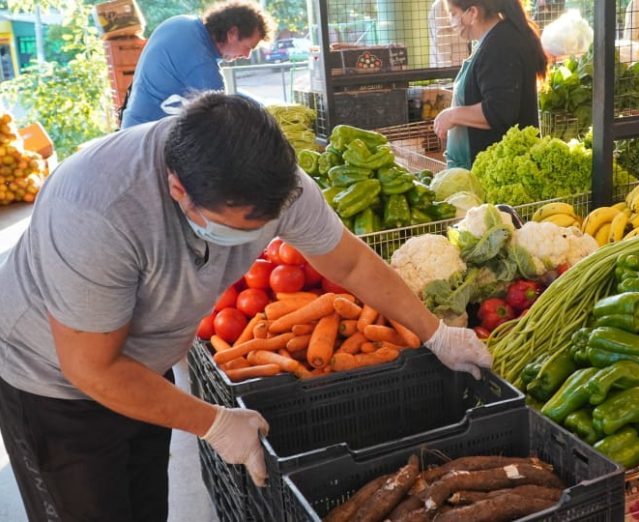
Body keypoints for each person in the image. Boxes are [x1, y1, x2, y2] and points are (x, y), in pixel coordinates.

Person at [0, 92, 493, 521]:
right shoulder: (100, 211)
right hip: (55, 384)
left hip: (142, 367)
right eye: (239, 227)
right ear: (180, 193)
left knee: (146, 504)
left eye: (269, 224)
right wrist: (213, 422)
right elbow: (92, 367)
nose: (258, 238)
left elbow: (351, 264)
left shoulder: (273, 180)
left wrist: (435, 333)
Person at [120, 0, 275, 129]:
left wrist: (260, 105)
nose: (247, 55)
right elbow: (222, 118)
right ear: (232, 33)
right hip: (144, 140)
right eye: (249, 47)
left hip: (133, 127)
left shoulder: (183, 24)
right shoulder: (201, 61)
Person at [433, 0, 548, 169]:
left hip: (499, 169)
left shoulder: (500, 46)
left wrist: (453, 115)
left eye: (453, 14)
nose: (452, 22)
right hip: (489, 165)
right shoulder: (495, 39)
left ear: (473, 12)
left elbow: (499, 111)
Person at [428, 0, 470, 68]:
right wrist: (447, 69)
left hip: (460, 63)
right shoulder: (440, 5)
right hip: (449, 67)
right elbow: (441, 41)